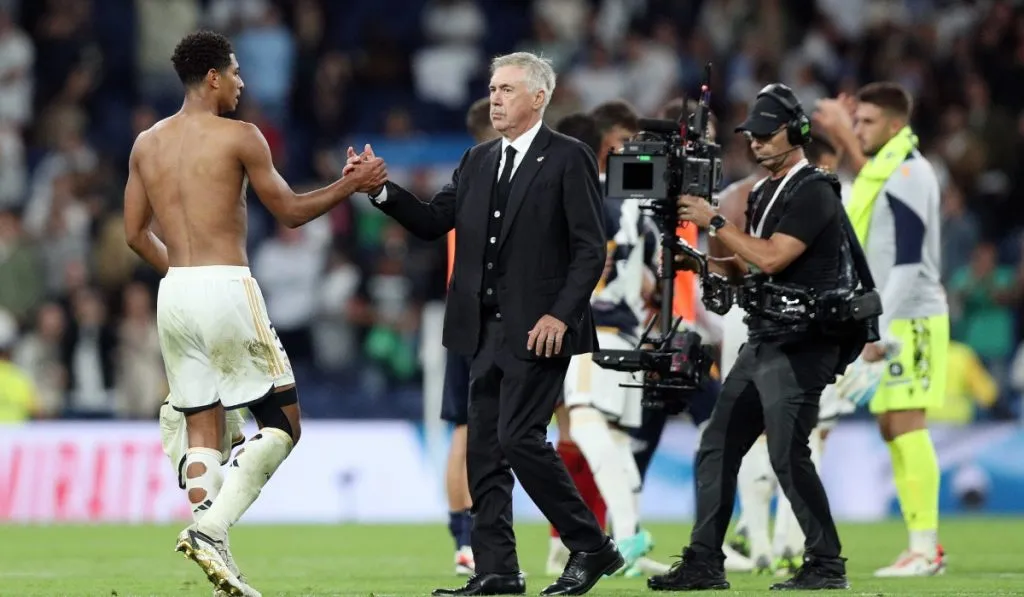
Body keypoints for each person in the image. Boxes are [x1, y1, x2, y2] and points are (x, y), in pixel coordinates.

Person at [348, 51, 623, 596]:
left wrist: (558, 314)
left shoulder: (569, 157)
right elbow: (431, 221)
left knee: (520, 439)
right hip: (481, 330)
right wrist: (380, 190)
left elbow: (591, 251)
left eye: (507, 90)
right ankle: (497, 571)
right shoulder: (476, 160)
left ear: (539, 98)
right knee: (484, 452)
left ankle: (591, 546)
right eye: (493, 89)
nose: (495, 98)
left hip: (541, 329)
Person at [124, 30, 386, 597]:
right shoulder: (241, 136)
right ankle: (211, 531)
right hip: (225, 285)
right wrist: (352, 184)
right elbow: (290, 213)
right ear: (213, 77)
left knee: (203, 426)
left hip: (176, 292)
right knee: (283, 423)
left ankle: (211, 537)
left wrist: (182, 271)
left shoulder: (147, 142)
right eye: (237, 73)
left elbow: (133, 234)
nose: (243, 83)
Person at [650, 83, 859, 591]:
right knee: (717, 445)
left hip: (803, 341)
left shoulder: (814, 188)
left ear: (797, 133)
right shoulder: (766, 191)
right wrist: (700, 261)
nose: (757, 143)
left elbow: (773, 257)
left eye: (767, 135)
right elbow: (751, 272)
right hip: (764, 337)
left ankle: (826, 564)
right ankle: (704, 562)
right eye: (753, 135)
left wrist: (713, 220)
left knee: (787, 453)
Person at [814, 82, 948, 577]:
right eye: (858, 120)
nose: (859, 129)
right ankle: (921, 545)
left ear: (894, 125)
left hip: (911, 317)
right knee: (894, 426)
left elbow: (912, 262)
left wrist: (877, 327)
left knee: (907, 425)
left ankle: (926, 547)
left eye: (867, 122)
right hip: (897, 317)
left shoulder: (911, 171)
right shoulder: (890, 167)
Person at [716, 133, 856, 574]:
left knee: (759, 439)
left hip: (754, 319)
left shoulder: (736, 196)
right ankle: (781, 544)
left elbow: (726, 267)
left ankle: (766, 541)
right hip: (792, 323)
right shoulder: (825, 192)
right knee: (798, 437)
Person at [549, 104, 665, 577]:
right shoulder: (638, 207)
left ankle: (628, 533)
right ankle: (629, 530)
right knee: (615, 437)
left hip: (590, 327)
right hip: (631, 332)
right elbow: (653, 282)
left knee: (585, 423)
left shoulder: (577, 199)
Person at [441, 96, 503, 577]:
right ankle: (470, 538)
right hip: (488, 317)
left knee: (465, 427)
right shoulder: (490, 175)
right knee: (475, 428)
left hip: (462, 313)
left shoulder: (463, 178)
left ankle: (464, 537)